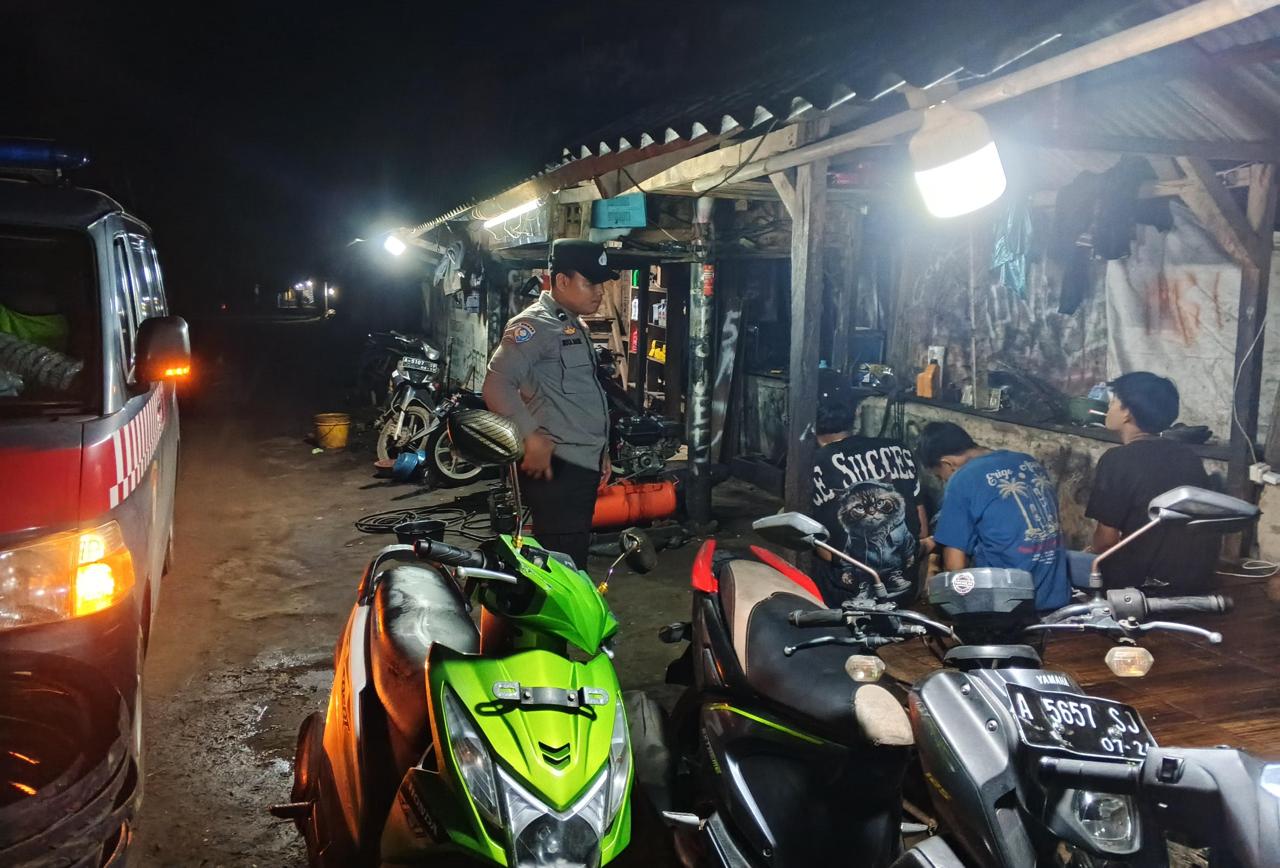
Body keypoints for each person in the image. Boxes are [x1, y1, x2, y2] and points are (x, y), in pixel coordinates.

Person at [482, 239, 615, 568]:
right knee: (562, 565)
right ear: (562, 281)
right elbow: (496, 384)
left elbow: (578, 397)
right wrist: (531, 438)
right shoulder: (535, 325)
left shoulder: (572, 324)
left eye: (600, 283)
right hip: (557, 466)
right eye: (590, 283)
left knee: (570, 556)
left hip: (579, 462)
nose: (599, 292)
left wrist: (601, 452)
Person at [919, 421, 1070, 611]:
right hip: (1056, 596)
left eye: (939, 476)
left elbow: (955, 568)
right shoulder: (1028, 461)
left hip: (1008, 606)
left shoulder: (962, 479)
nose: (943, 482)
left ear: (947, 463)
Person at [1086, 372, 1215, 591]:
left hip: (1140, 584)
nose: (1109, 407)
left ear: (1127, 413)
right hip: (1193, 578)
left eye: (1114, 401)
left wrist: (1089, 551)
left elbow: (1106, 542)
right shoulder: (1189, 457)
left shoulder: (1117, 460)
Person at [810, 371, 929, 604]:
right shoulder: (900, 449)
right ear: (856, 411)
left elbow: (818, 546)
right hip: (904, 591)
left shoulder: (809, 464)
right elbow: (922, 530)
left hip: (847, 596)